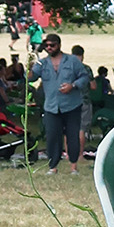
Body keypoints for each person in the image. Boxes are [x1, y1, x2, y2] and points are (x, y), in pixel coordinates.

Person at [31, 32, 86, 173]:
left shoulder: (72, 60)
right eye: (46, 45)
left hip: (72, 105)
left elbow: (85, 77)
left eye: (52, 45)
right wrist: (29, 64)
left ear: (59, 45)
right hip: (51, 106)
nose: (49, 48)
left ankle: (73, 166)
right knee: (52, 137)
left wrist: (72, 86)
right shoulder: (42, 63)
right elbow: (30, 78)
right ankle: (53, 167)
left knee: (72, 136)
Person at [69, 44, 94, 145]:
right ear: (82, 55)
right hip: (84, 100)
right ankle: (80, 155)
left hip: (69, 101)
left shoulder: (66, 68)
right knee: (82, 129)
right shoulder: (86, 68)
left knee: (69, 128)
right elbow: (93, 86)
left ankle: (68, 153)